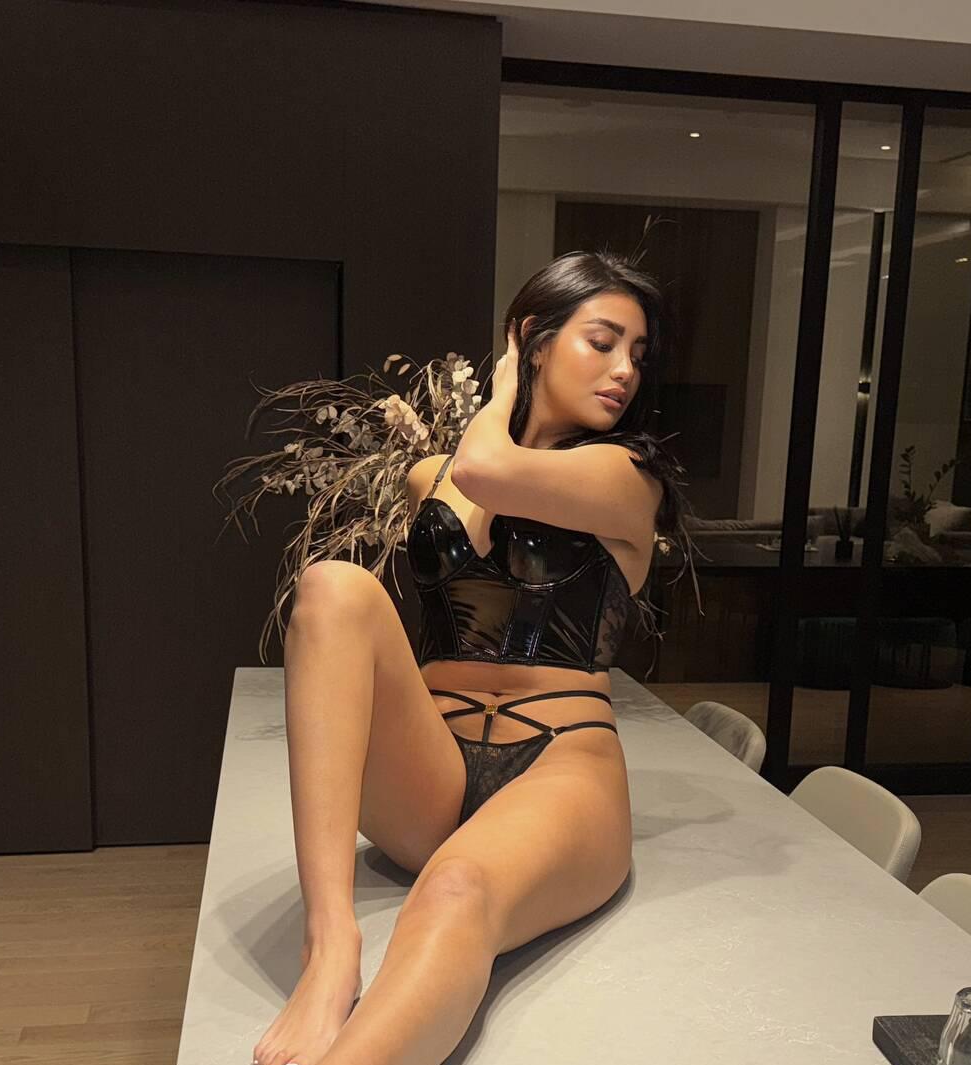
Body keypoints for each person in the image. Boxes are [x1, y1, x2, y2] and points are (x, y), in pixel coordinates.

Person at [251, 250, 697, 1065]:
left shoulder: (628, 477)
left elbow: (490, 469)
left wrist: (500, 395)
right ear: (535, 338)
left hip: (562, 765)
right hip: (431, 773)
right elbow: (470, 480)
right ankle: (330, 944)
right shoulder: (429, 479)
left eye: (638, 354)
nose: (625, 371)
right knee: (330, 587)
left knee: (456, 890)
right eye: (603, 342)